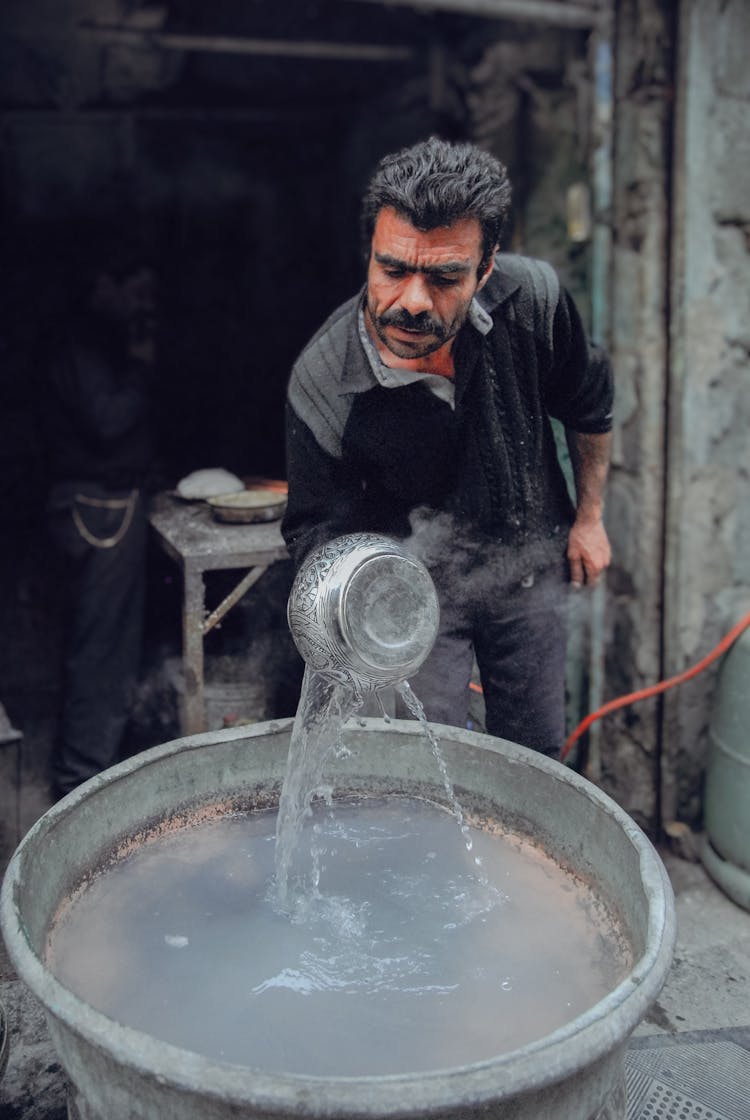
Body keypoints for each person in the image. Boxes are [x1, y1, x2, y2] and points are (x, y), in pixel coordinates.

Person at [281, 137, 613, 757]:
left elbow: (589, 402)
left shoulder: (533, 301)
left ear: (485, 269)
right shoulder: (323, 381)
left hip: (530, 561)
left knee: (538, 763)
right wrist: (368, 622)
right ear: (369, 254)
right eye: (393, 269)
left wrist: (591, 517)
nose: (411, 301)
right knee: (427, 770)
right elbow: (312, 536)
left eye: (443, 277)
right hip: (410, 595)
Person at [43, 245, 157, 796]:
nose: (142, 302)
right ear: (100, 288)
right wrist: (139, 361)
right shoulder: (85, 344)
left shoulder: (89, 339)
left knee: (101, 643)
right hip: (99, 511)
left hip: (98, 505)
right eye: (132, 290)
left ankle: (86, 772)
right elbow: (108, 421)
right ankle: (79, 786)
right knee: (101, 651)